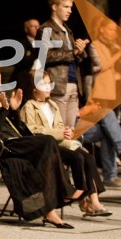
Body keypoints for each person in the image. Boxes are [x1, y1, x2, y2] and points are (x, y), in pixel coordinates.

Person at [0, 59, 75, 228]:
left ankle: (50, 211)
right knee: (47, 141)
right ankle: (64, 192)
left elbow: (18, 128)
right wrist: (5, 110)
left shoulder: (1, 96)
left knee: (44, 150)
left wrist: (13, 110)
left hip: (15, 143)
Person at [19, 70, 111, 217]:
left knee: (88, 157)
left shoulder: (52, 105)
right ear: (34, 87)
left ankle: (94, 200)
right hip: (46, 147)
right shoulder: (29, 106)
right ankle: (81, 196)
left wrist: (66, 132)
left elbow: (60, 126)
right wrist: (59, 133)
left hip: (60, 143)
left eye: (50, 83)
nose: (48, 87)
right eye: (44, 84)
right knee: (77, 158)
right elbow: (31, 130)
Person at [36, 0, 88, 129]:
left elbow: (75, 56)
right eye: (66, 7)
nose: (70, 10)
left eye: (70, 7)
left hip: (73, 85)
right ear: (54, 7)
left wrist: (80, 51)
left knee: (70, 131)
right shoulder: (45, 29)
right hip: (58, 86)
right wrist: (73, 53)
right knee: (59, 131)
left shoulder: (67, 30)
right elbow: (45, 55)